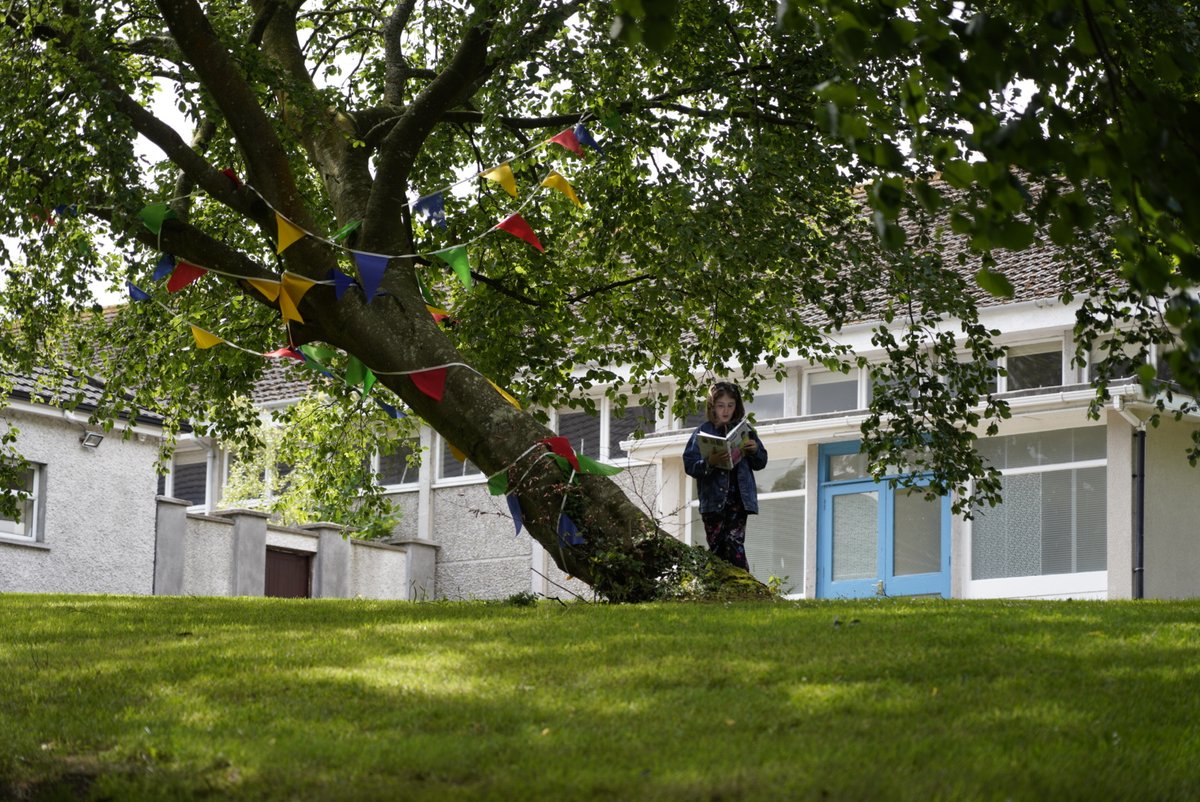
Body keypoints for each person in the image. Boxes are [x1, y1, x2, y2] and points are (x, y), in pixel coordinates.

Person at [682, 382, 768, 571]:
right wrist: (709, 462)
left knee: (734, 542)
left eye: (730, 405)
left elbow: (761, 462)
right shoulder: (702, 432)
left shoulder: (746, 430)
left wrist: (754, 450)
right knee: (717, 546)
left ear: (737, 406)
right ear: (712, 406)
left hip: (738, 499)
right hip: (713, 502)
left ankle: (744, 581)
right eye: (721, 405)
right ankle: (720, 582)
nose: (726, 410)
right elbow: (689, 465)